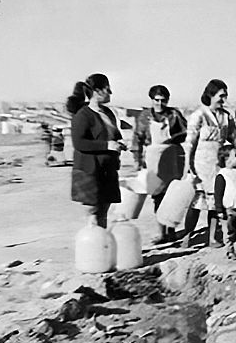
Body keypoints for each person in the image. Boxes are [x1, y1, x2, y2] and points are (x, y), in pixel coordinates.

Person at [66, 73, 126, 227]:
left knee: (104, 210)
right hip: (90, 170)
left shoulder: (108, 113)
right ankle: (93, 247)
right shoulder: (83, 116)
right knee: (93, 212)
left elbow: (114, 134)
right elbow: (79, 143)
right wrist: (107, 146)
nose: (110, 93)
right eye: (107, 89)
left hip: (107, 170)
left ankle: (102, 247)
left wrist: (119, 143)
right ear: (97, 91)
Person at [131, 84, 187, 243]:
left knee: (173, 195)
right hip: (152, 159)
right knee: (158, 196)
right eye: (156, 100)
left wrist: (173, 140)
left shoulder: (174, 115)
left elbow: (185, 133)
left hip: (171, 157)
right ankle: (162, 232)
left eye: (163, 100)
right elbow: (137, 139)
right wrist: (137, 160)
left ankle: (172, 231)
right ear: (151, 100)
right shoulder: (144, 117)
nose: (160, 104)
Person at [185, 79, 236, 247]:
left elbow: (233, 137)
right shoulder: (198, 115)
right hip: (199, 165)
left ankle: (212, 237)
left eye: (225, 96)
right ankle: (187, 237)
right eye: (221, 95)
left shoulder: (226, 116)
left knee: (214, 203)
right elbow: (190, 143)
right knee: (196, 203)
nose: (223, 99)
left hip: (217, 165)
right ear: (210, 94)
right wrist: (188, 167)